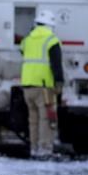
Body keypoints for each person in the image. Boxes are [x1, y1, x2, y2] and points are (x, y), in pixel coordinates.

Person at [20, 10, 64, 158]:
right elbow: (56, 64)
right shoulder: (52, 40)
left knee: (33, 120)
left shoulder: (27, 40)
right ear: (51, 25)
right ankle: (45, 150)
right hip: (44, 87)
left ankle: (34, 148)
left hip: (27, 86)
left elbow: (22, 51)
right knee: (47, 119)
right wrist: (59, 82)